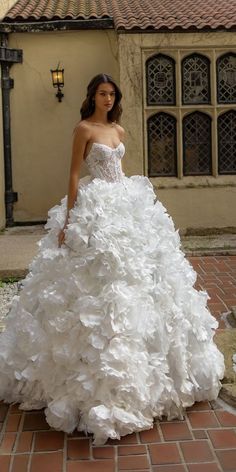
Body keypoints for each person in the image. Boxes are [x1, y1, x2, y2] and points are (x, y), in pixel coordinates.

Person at [0, 73, 224, 446]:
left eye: (112, 94)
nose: (108, 98)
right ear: (92, 96)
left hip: (126, 204)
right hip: (97, 208)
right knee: (100, 281)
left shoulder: (118, 131)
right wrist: (69, 220)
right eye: (102, 93)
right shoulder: (83, 129)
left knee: (142, 277)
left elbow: (118, 169)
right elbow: (74, 176)